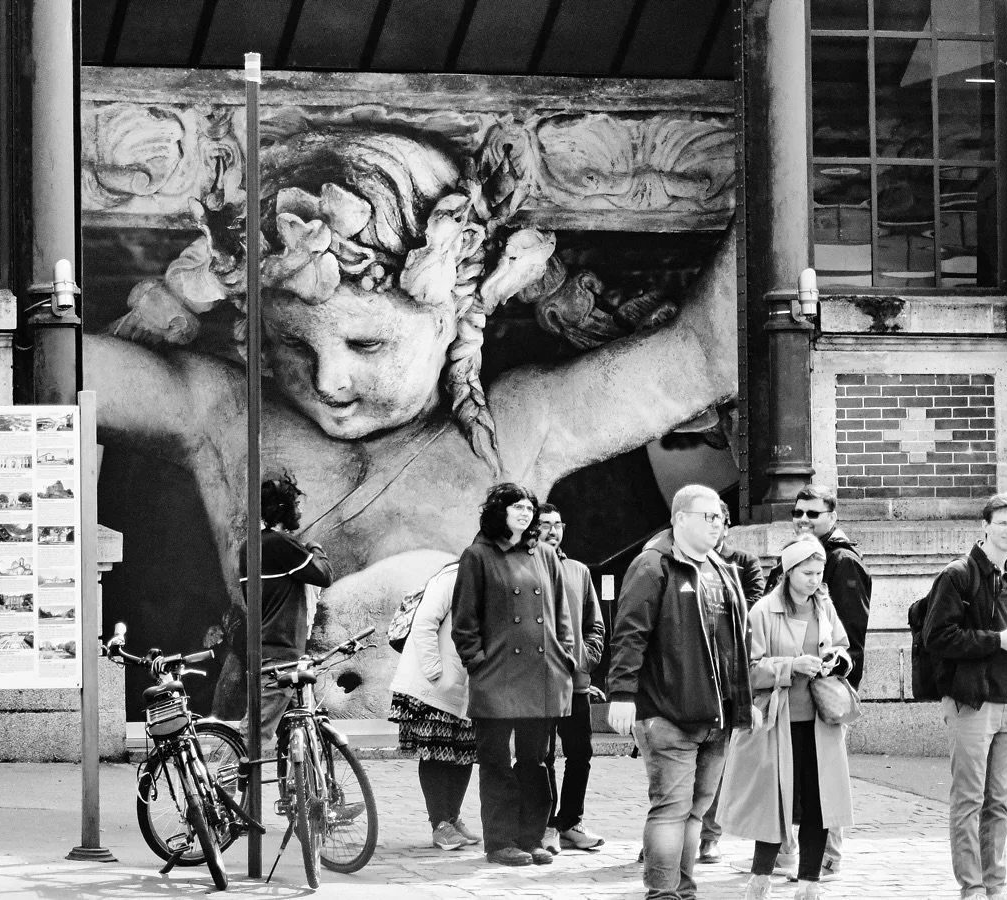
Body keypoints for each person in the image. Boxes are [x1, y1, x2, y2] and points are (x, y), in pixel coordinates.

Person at [82, 126, 741, 719]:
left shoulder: (514, 428)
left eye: (368, 345)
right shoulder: (224, 414)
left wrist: (808, 152)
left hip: (442, 730)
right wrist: (179, 298)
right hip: (277, 737)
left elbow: (703, 357)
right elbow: (66, 376)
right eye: (294, 344)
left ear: (452, 317)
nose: (328, 377)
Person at [608, 484, 756, 900]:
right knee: (671, 811)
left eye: (721, 518)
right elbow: (629, 635)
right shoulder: (653, 566)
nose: (718, 524)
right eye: (708, 517)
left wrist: (747, 704)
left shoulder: (723, 570)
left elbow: (736, 644)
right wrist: (622, 694)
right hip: (668, 713)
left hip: (717, 716)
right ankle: (662, 892)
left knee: (696, 812)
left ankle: (682, 889)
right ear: (680, 520)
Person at [923, 491, 1007, 900]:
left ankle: (996, 887)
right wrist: (998, 640)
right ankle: (972, 887)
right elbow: (937, 637)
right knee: (969, 800)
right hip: (972, 702)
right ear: (985, 526)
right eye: (1003, 523)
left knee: (999, 803)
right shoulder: (958, 574)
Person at [716, 534, 854, 900]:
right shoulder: (762, 611)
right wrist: (791, 666)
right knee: (773, 801)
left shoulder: (825, 607)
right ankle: (760, 876)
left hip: (821, 721)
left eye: (819, 571)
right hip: (778, 722)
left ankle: (809, 883)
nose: (814, 579)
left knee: (820, 802)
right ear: (789, 571)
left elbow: (842, 646)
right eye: (807, 572)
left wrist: (838, 661)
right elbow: (745, 669)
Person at [451, 483, 574, 867]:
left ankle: (533, 837)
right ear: (498, 512)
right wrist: (478, 661)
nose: (525, 513)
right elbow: (464, 621)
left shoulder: (547, 555)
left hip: (542, 675)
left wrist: (565, 655)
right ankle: (501, 841)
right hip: (497, 678)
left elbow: (563, 614)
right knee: (496, 763)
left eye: (528, 507)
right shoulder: (477, 555)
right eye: (516, 507)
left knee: (536, 763)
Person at [763, 484, 870, 879]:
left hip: (823, 687)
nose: (804, 520)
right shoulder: (797, 556)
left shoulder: (841, 562)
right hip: (793, 687)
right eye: (799, 513)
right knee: (796, 773)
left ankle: (827, 856)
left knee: (825, 775)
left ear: (833, 517)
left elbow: (851, 633)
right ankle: (790, 851)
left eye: (813, 514)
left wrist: (837, 677)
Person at [388, 561, 481, 852]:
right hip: (432, 685)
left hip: (464, 684)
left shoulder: (492, 578)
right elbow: (425, 623)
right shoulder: (452, 576)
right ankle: (439, 823)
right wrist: (434, 671)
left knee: (464, 752)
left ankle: (453, 818)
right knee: (437, 753)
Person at [239, 474, 334, 744]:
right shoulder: (279, 544)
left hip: (271, 651)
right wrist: (314, 546)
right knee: (254, 734)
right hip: (282, 656)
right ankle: (227, 781)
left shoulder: (250, 546)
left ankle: (299, 786)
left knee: (301, 733)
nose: (301, 509)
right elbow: (324, 574)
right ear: (284, 508)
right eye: (296, 503)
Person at [536, 503, 607, 854]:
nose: (552, 531)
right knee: (542, 755)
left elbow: (595, 626)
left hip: (576, 684)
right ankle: (546, 825)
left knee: (580, 754)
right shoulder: (526, 568)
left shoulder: (579, 571)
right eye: (544, 524)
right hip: (538, 683)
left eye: (557, 524)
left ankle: (571, 822)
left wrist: (585, 661)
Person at [698, 496, 764, 864]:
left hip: (726, 668)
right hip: (692, 669)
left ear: (726, 525)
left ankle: (709, 834)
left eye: (717, 520)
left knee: (716, 761)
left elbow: (750, 606)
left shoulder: (742, 563)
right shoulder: (679, 561)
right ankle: (673, 831)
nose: (712, 527)